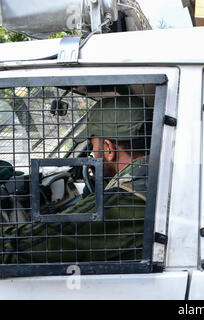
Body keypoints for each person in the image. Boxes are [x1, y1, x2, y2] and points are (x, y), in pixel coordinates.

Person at [0, 96, 153, 264]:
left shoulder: (120, 203)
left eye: (93, 146)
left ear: (109, 149)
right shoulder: (157, 180)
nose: (92, 154)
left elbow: (19, 248)